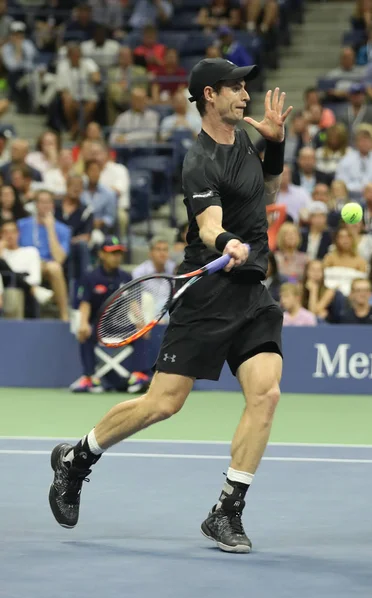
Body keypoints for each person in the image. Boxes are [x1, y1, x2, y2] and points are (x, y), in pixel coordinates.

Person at [48, 58, 292, 554]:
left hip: (252, 293)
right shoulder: (198, 160)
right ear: (209, 95)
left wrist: (277, 140)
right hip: (207, 296)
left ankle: (227, 509)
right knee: (163, 403)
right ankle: (77, 459)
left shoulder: (245, 139)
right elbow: (207, 225)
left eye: (246, 86)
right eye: (235, 88)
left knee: (266, 394)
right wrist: (225, 240)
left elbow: (266, 184)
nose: (245, 94)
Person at [71, 236, 131, 393]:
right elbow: (85, 304)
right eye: (112, 253)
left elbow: (134, 303)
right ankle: (90, 377)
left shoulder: (126, 277)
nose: (116, 257)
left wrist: (142, 322)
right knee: (84, 332)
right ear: (101, 254)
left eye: (119, 253)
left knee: (142, 332)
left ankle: (139, 375)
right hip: (97, 329)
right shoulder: (90, 277)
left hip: (121, 327)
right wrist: (83, 323)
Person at [18, 190, 70, 321]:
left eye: (48, 202)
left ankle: (64, 315)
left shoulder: (63, 229)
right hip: (25, 265)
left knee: (55, 268)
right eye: (41, 202)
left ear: (53, 205)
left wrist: (50, 229)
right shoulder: (22, 225)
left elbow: (59, 259)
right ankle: (40, 293)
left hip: (47, 266)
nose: (45, 205)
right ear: (36, 205)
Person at [0, 219, 53, 317]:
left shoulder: (30, 252)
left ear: (18, 233)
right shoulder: (2, 253)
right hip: (6, 291)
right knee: (2, 264)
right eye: (6, 232)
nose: (9, 236)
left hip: (25, 295)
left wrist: (17, 278)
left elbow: (35, 279)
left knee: (11, 276)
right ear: (1, 235)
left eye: (13, 232)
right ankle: (33, 289)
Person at [81, 160, 117, 234]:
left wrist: (102, 221)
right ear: (86, 172)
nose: (95, 174)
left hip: (101, 229)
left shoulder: (109, 194)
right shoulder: (80, 191)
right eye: (92, 171)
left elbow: (110, 217)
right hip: (81, 227)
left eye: (97, 171)